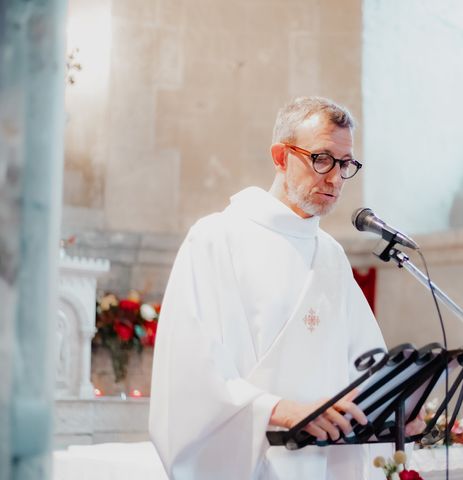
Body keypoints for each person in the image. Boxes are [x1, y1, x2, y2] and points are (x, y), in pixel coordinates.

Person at [149, 96, 425, 479]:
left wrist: (397, 409)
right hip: (255, 460)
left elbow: (364, 362)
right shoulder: (216, 238)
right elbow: (192, 371)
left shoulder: (330, 254)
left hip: (325, 464)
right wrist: (281, 409)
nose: (334, 178)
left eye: (345, 164)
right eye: (322, 159)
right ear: (281, 157)